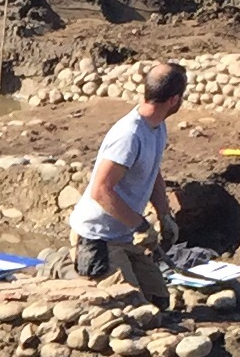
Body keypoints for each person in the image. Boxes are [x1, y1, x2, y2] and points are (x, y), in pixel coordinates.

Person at [69, 60, 187, 296]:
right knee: (130, 307)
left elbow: (153, 172)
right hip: (97, 239)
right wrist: (141, 225)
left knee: (159, 301)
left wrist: (164, 215)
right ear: (173, 100)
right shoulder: (129, 134)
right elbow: (101, 190)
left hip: (123, 237)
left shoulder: (157, 126)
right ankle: (68, 268)